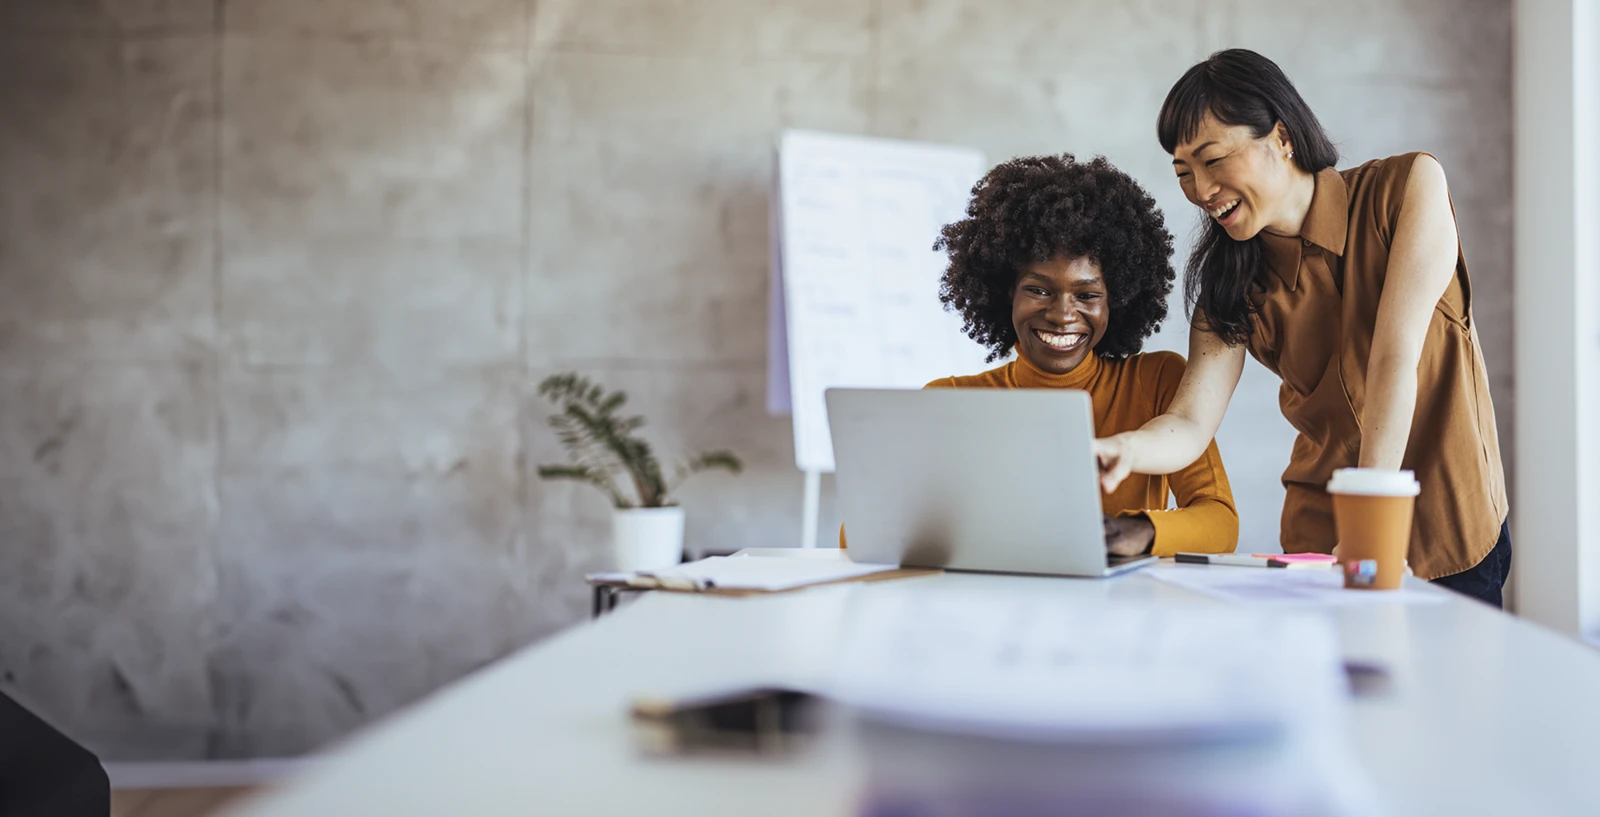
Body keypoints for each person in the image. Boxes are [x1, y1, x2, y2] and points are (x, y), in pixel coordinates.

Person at [1094, 49, 1510, 605]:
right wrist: (1127, 448)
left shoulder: (1407, 188)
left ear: (1282, 136)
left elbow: (1393, 356)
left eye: (1213, 159)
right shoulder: (1229, 283)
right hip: (1321, 538)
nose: (1200, 188)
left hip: (1450, 523)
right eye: (1183, 172)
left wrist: (1369, 528)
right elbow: (1191, 421)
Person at [844, 154, 1239, 558]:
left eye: (1087, 295)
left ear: (1116, 301)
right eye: (1039, 290)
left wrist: (1138, 532)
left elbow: (1220, 522)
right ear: (1005, 292)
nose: (1062, 315)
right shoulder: (946, 400)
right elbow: (860, 532)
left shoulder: (1156, 381)